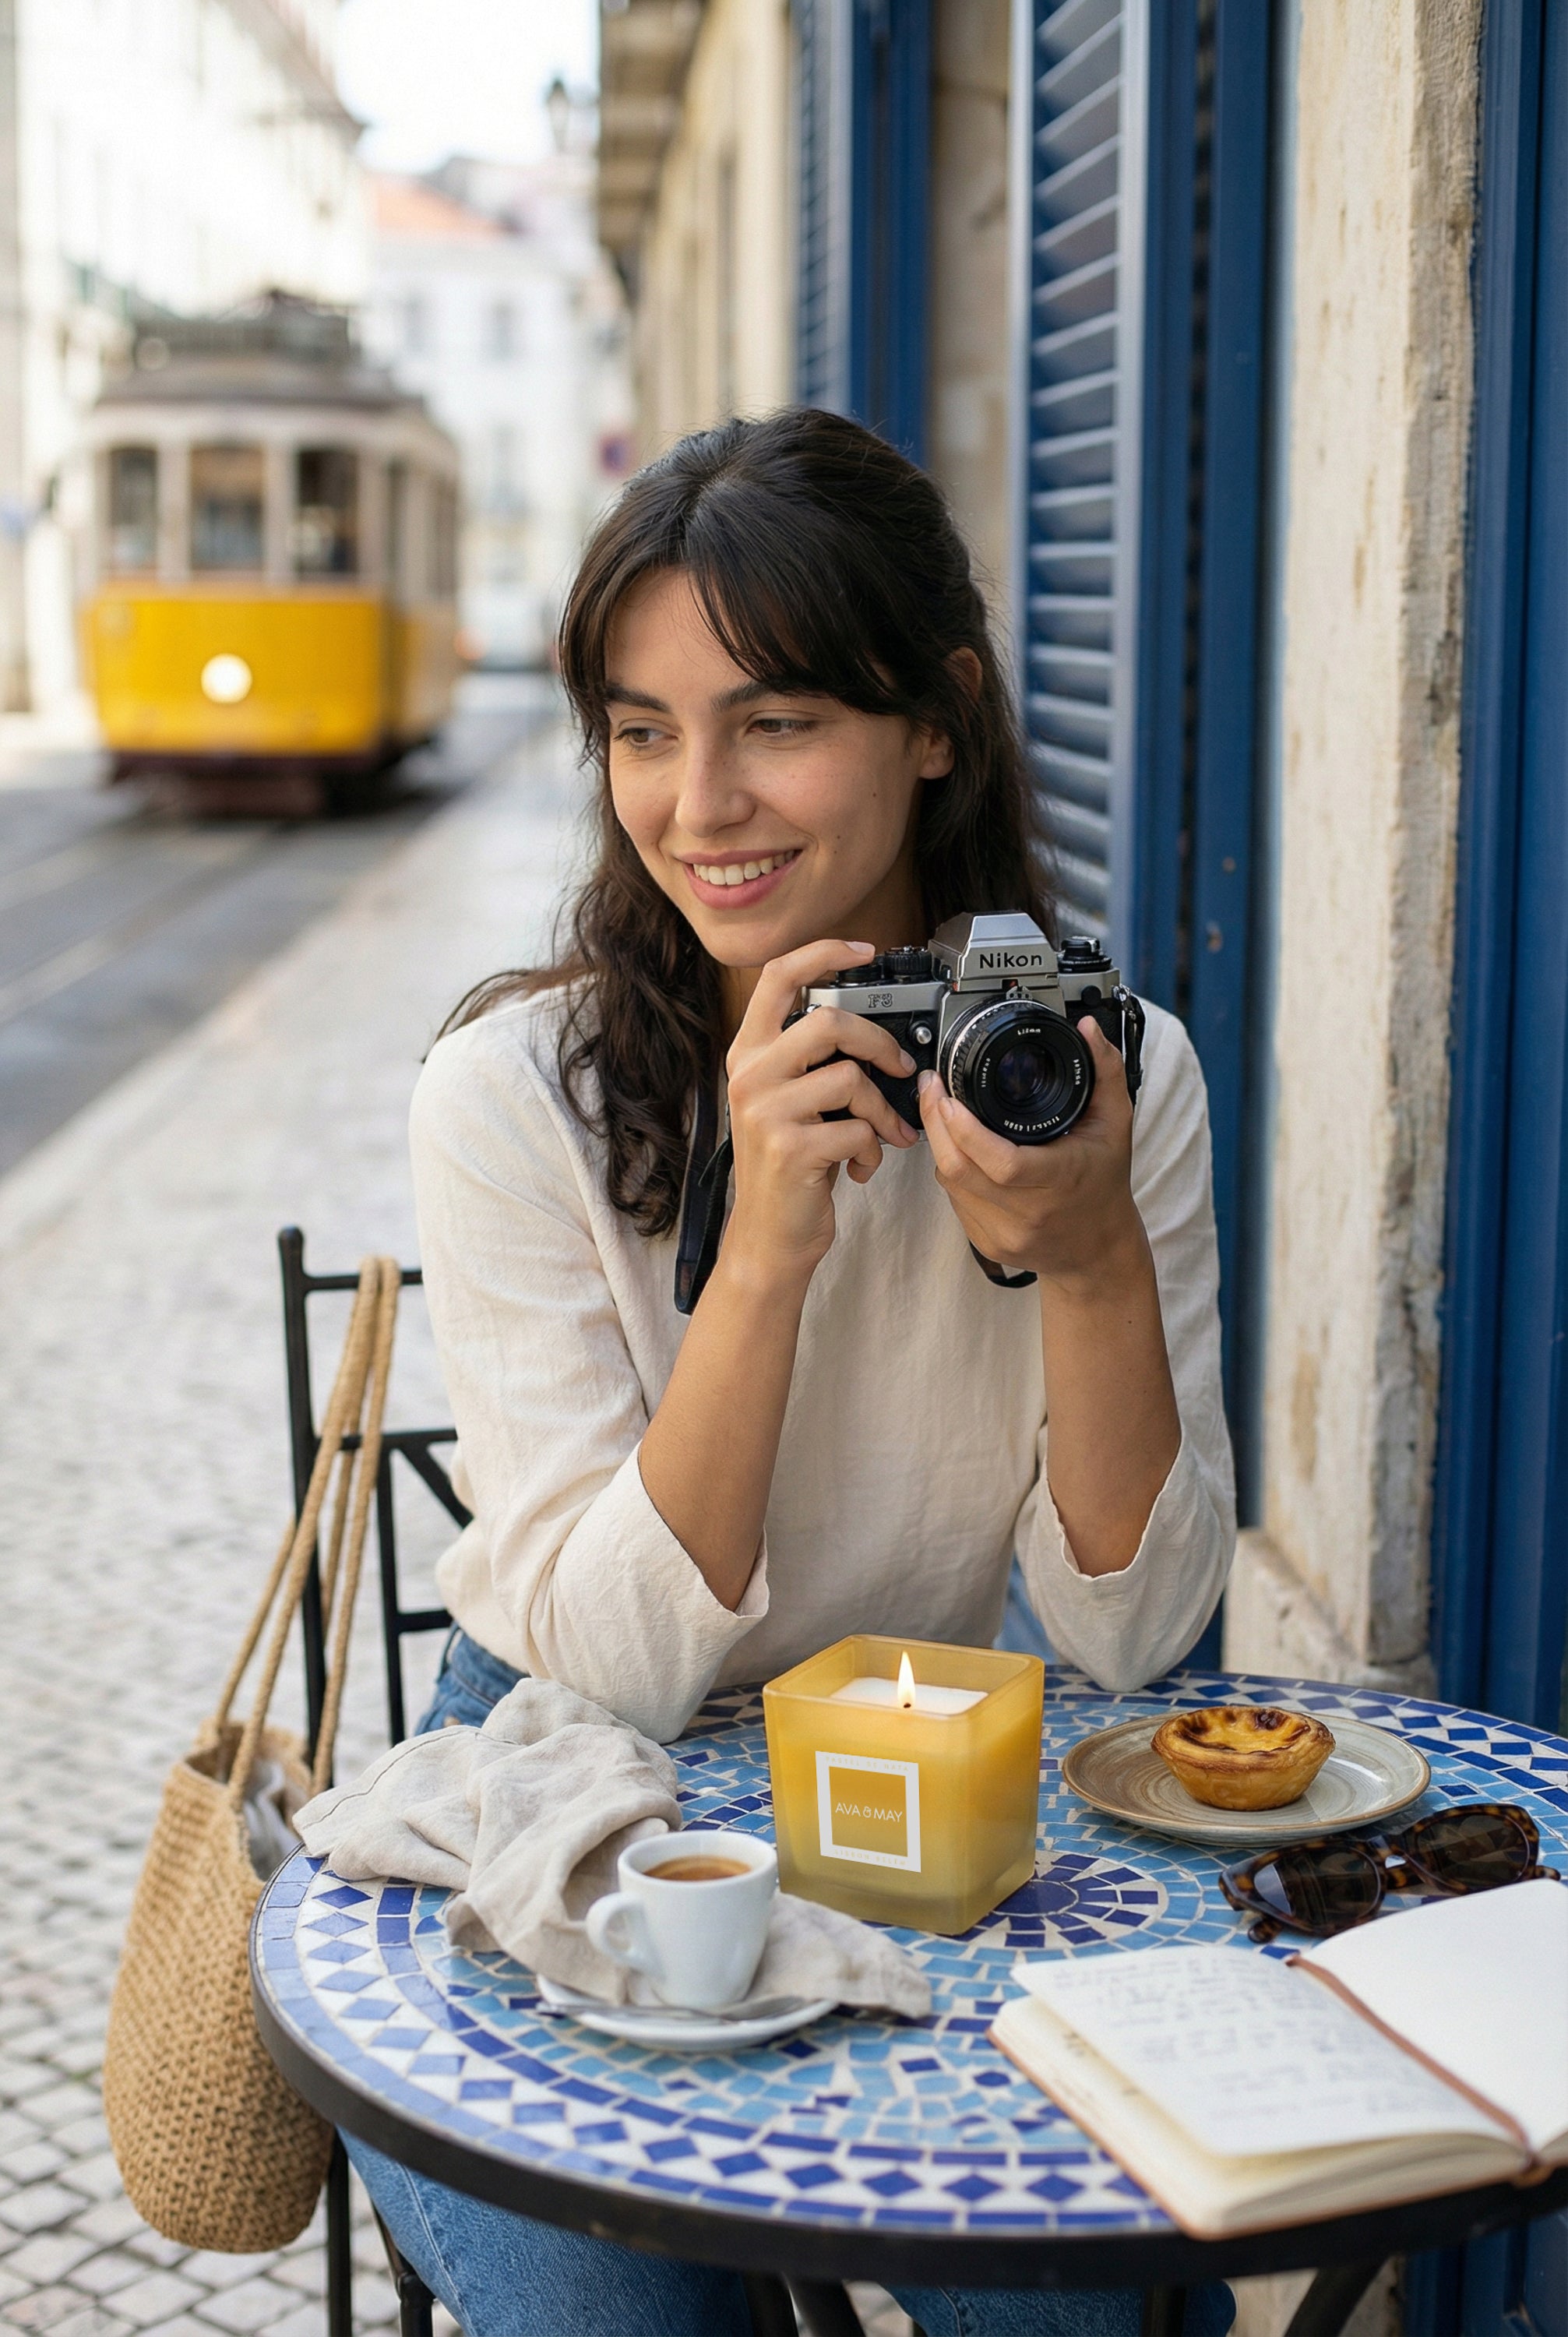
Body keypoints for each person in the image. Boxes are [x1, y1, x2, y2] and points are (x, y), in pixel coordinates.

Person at [347, 409, 1236, 2337]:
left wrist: (1081, 1253)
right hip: (560, 1791)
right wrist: (761, 1241)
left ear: (938, 720)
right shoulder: (517, 1096)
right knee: (631, 2319)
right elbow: (611, 1667)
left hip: (909, 1789)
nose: (699, 805)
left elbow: (1133, 1641)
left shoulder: (1102, 1074)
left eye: (772, 722)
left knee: (1065, 2296)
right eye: (641, 730)